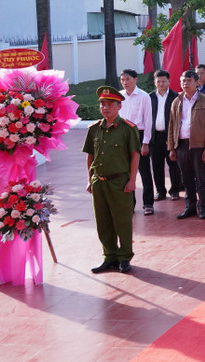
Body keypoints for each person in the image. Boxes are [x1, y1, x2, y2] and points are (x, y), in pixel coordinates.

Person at [84, 86, 141, 274]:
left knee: (122, 221)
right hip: (99, 182)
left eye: (109, 105)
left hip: (120, 181)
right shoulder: (94, 129)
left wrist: (132, 180)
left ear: (119, 106)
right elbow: (90, 156)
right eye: (102, 104)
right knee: (103, 221)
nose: (105, 108)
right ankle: (109, 256)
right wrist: (89, 180)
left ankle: (124, 257)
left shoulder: (127, 128)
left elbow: (135, 155)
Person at [168, 70, 205, 221]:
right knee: (186, 178)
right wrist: (171, 147)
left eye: (188, 81)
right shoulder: (177, 101)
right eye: (183, 81)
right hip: (181, 145)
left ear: (197, 82)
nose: (185, 84)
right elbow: (172, 125)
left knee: (201, 178)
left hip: (199, 146)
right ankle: (190, 207)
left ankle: (203, 207)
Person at [118, 69, 152, 214]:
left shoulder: (144, 96)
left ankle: (148, 203)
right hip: (122, 135)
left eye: (128, 79)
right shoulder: (118, 96)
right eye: (122, 79)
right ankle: (129, 204)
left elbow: (148, 120)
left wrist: (145, 142)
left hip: (139, 134)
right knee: (125, 172)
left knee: (144, 171)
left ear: (135, 80)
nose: (125, 82)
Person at [149, 70, 180, 203]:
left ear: (169, 81)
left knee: (173, 164)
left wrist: (174, 137)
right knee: (157, 165)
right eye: (158, 81)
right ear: (155, 82)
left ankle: (175, 190)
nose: (161, 84)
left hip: (170, 136)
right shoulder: (150, 97)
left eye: (163, 81)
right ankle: (160, 190)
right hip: (154, 137)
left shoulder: (176, 97)